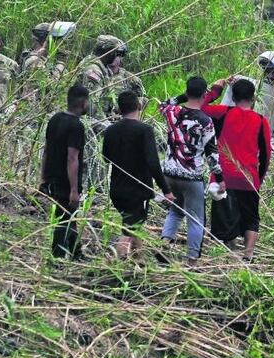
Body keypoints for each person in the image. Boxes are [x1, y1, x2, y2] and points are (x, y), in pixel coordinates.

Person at [201, 78, 273, 261]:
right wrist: (259, 178)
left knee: (224, 216)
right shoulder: (261, 121)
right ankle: (248, 255)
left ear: (232, 97)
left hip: (223, 177)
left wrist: (217, 87)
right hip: (249, 178)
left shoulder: (223, 113)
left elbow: (200, 106)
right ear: (253, 97)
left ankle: (229, 253)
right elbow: (266, 154)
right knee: (251, 218)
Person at [101, 91, 174, 260]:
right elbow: (153, 162)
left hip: (117, 189)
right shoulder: (144, 130)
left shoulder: (111, 130)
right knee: (129, 229)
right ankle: (117, 261)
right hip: (137, 190)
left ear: (119, 109)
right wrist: (166, 189)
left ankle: (139, 262)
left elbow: (105, 158)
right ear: (139, 106)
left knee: (134, 225)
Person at [159, 76, 225, 264]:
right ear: (205, 94)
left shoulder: (171, 112)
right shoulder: (206, 121)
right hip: (192, 176)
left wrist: (183, 96)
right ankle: (192, 260)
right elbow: (212, 153)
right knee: (196, 219)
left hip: (170, 172)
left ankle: (165, 243)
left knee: (175, 211)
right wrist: (219, 178)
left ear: (187, 92)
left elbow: (165, 103)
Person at [41, 85, 90, 259]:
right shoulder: (76, 126)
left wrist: (43, 177)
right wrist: (74, 190)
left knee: (70, 216)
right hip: (66, 181)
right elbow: (72, 158)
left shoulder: (55, 119)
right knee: (65, 218)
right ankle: (58, 256)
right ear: (83, 103)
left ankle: (76, 252)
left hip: (53, 177)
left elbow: (46, 150)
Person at [79, 35, 127, 118]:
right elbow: (91, 108)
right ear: (108, 52)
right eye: (116, 54)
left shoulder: (104, 69)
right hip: (90, 121)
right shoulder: (93, 70)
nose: (117, 57)